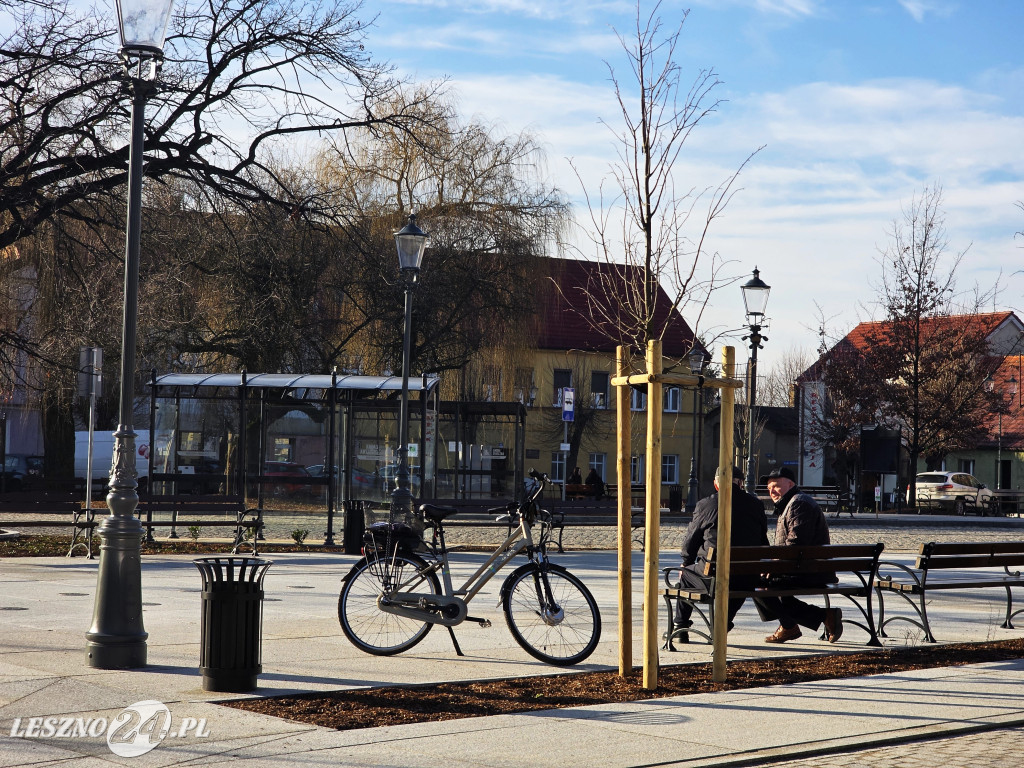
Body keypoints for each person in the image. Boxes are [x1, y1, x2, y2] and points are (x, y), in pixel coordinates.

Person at [672, 466, 769, 639]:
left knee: (686, 575)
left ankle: (680, 626)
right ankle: (722, 623)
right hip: (748, 575)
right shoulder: (756, 505)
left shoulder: (706, 504)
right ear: (740, 483)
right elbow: (763, 540)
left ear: (716, 484)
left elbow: (691, 538)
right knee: (739, 581)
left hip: (714, 575)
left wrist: (686, 562)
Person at [754, 466, 843, 644]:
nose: (771, 490)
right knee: (765, 585)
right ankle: (818, 618)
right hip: (803, 568)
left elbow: (796, 543)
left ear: (790, 483)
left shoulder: (798, 503)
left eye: (776, 485)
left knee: (754, 583)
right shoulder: (790, 503)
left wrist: (774, 566)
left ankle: (791, 626)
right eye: (769, 487)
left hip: (809, 570)